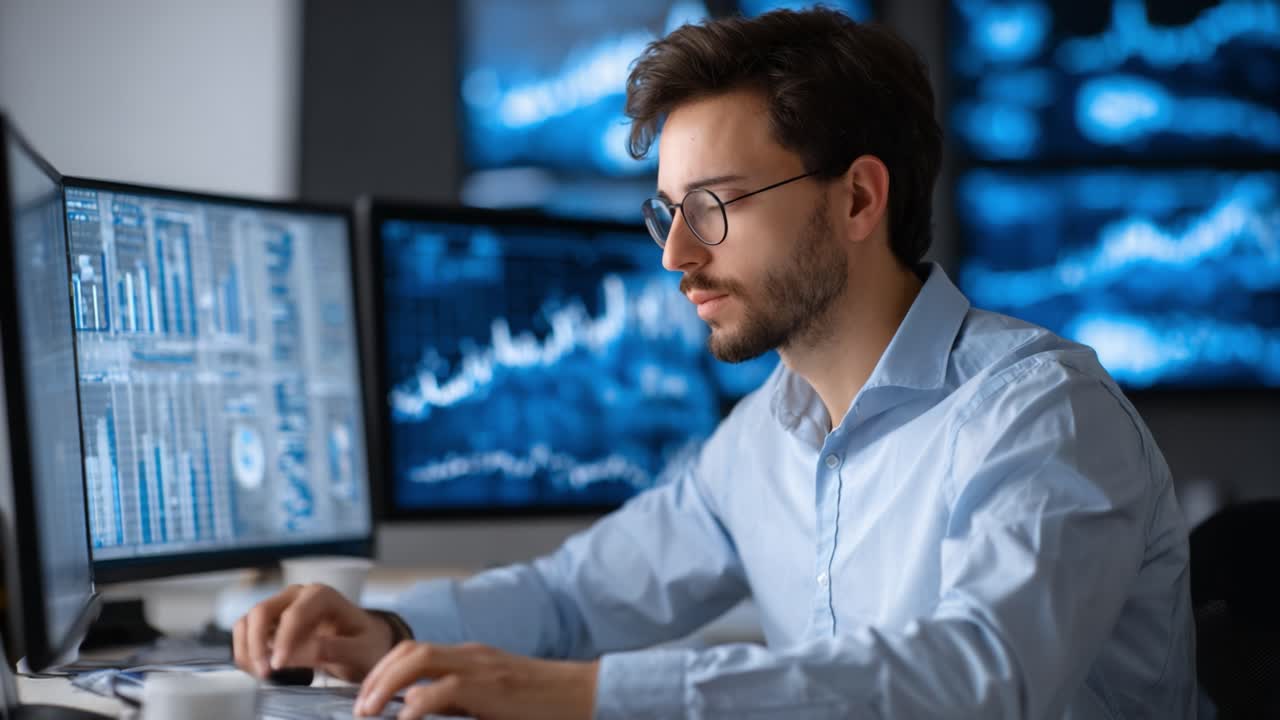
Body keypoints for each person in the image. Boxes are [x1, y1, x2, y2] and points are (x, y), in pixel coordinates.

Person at [234, 8, 1197, 719]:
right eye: (667, 211)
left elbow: (981, 681)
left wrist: (584, 695)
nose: (676, 255)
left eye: (716, 206)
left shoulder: (1041, 413)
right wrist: (387, 632)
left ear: (859, 200)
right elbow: (578, 595)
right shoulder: (763, 440)